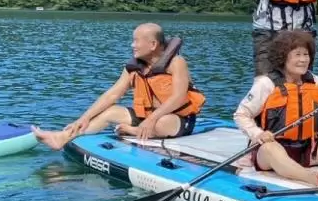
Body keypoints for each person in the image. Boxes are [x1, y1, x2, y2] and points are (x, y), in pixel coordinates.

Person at [33, 23, 206, 150]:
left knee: (162, 121)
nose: (133, 45)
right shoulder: (134, 68)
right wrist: (83, 118)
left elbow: (178, 97)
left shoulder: (176, 63)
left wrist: (151, 120)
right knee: (110, 112)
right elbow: (112, 95)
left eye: (137, 41)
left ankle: (132, 130)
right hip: (146, 117)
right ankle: (62, 138)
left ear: (153, 44)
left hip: (174, 120)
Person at [234, 29, 318, 187]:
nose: (303, 60)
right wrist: (258, 134)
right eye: (297, 55)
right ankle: (309, 177)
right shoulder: (266, 83)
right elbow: (241, 115)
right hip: (272, 153)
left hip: (308, 151)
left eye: (306, 55)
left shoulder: (317, 83)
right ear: (283, 57)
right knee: (270, 148)